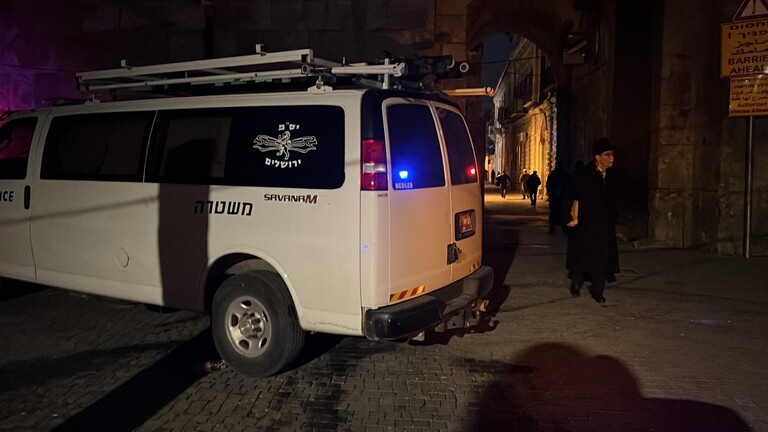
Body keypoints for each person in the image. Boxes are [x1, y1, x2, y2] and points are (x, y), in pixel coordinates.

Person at [565, 138, 619, 303]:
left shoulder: (612, 176)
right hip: (585, 223)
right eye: (607, 155)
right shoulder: (584, 174)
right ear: (597, 157)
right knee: (582, 256)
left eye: (612, 155)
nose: (612, 158)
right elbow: (573, 196)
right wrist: (571, 217)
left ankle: (598, 290)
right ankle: (576, 282)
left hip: (604, 224)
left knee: (602, 257)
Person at [546, 162, 568, 232]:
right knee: (562, 212)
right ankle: (562, 228)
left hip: (556, 198)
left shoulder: (553, 175)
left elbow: (548, 185)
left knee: (554, 212)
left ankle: (553, 228)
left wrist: (550, 194)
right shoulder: (564, 175)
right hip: (560, 198)